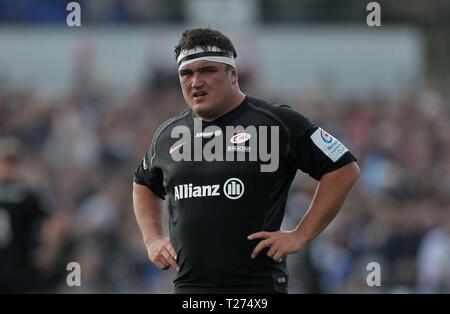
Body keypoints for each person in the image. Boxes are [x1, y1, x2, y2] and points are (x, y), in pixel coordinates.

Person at [132, 28, 360, 294]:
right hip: (191, 291)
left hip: (256, 289)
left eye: (207, 70)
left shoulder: (276, 123)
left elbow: (343, 167)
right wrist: (152, 239)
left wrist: (301, 234)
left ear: (233, 74)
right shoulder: (169, 135)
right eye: (187, 73)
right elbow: (143, 184)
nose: (196, 82)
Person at [0, 137, 53, 293]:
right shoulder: (28, 192)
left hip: (19, 264)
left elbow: (49, 222)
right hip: (18, 266)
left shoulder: (28, 193)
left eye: (11, 162)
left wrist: (46, 249)